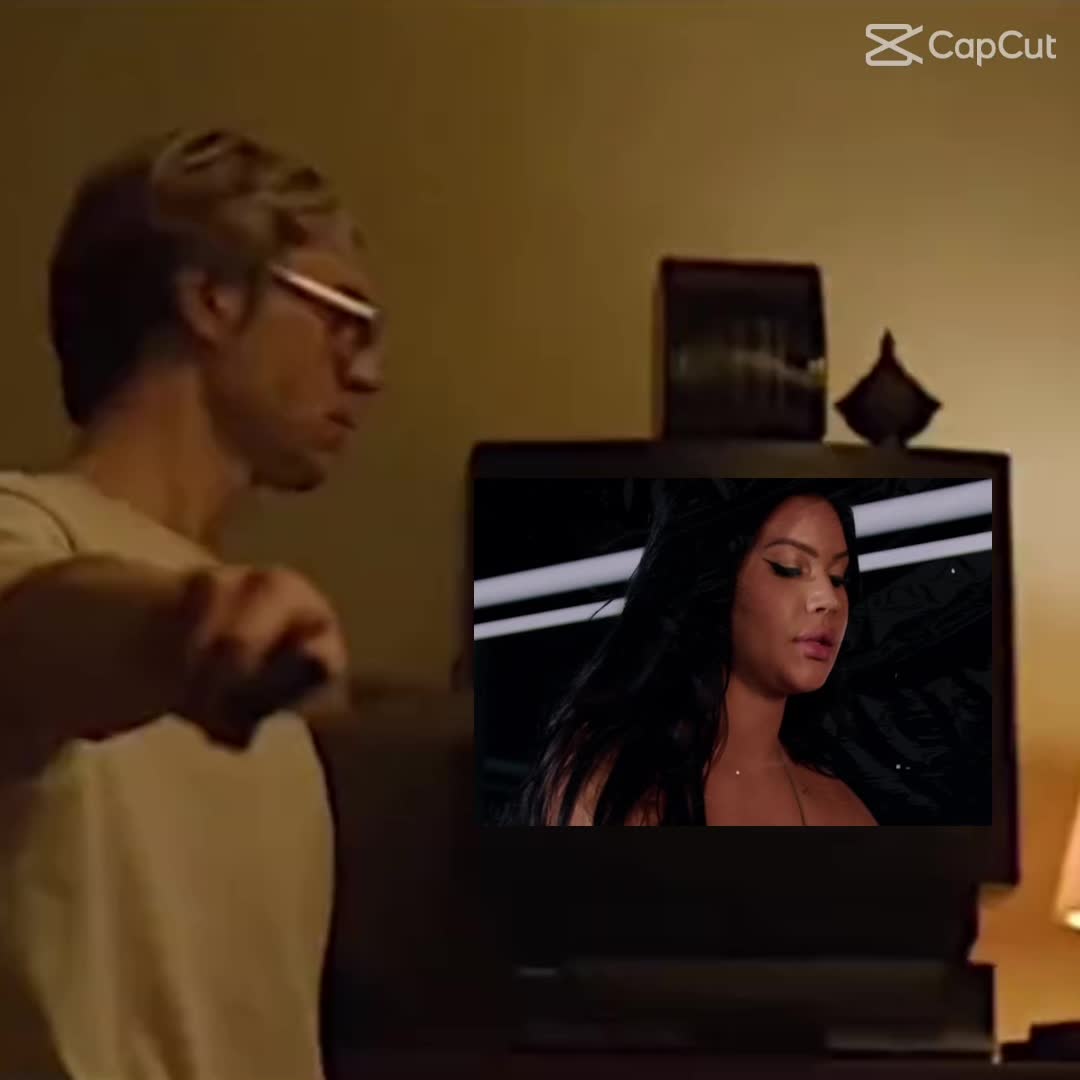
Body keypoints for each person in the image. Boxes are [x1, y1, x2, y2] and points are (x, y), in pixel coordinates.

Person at [0, 128, 382, 1079]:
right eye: (344, 319)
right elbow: (30, 631)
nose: (367, 373)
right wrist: (178, 628)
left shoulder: (265, 686)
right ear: (212, 298)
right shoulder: (28, 529)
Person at [516, 479, 878, 827]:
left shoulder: (842, 807)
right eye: (789, 568)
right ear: (718, 577)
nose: (828, 599)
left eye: (838, 578)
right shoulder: (617, 780)